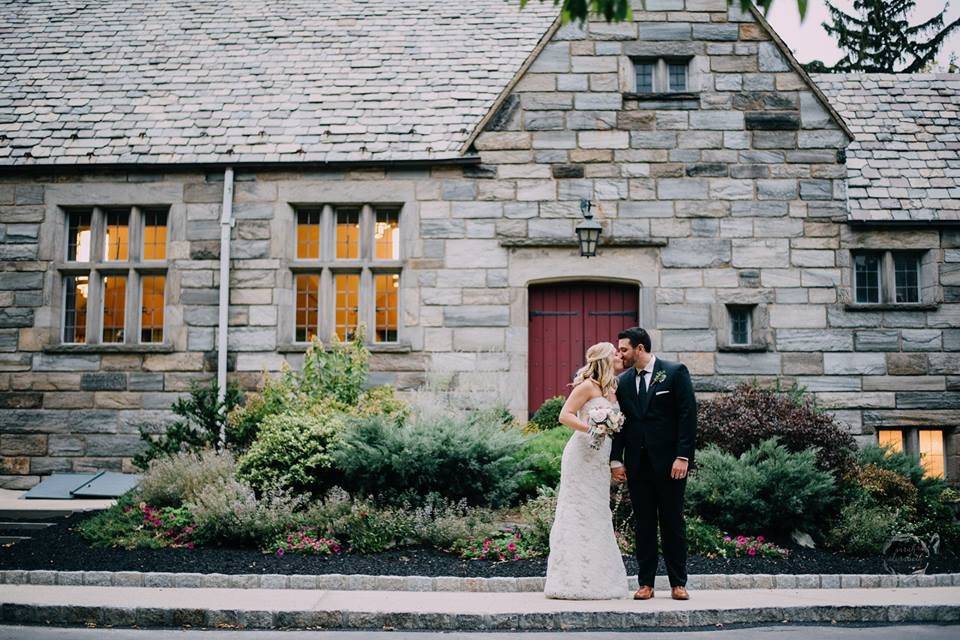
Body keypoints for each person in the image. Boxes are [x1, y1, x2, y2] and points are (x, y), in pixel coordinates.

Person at [613, 327, 697, 601]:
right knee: (644, 524)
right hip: (637, 466)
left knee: (672, 522)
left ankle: (678, 583)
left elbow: (687, 416)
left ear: (640, 348)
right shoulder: (624, 382)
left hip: (671, 464)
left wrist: (683, 456)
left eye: (624, 349)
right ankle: (645, 583)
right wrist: (616, 459)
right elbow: (621, 425)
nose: (620, 354)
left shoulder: (674, 372)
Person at [544, 342, 629, 600]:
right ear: (604, 359)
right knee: (577, 510)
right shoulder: (587, 386)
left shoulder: (612, 388)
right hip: (581, 455)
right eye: (615, 353)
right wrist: (591, 429)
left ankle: (599, 579)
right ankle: (570, 580)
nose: (619, 356)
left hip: (600, 458)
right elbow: (564, 415)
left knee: (597, 511)